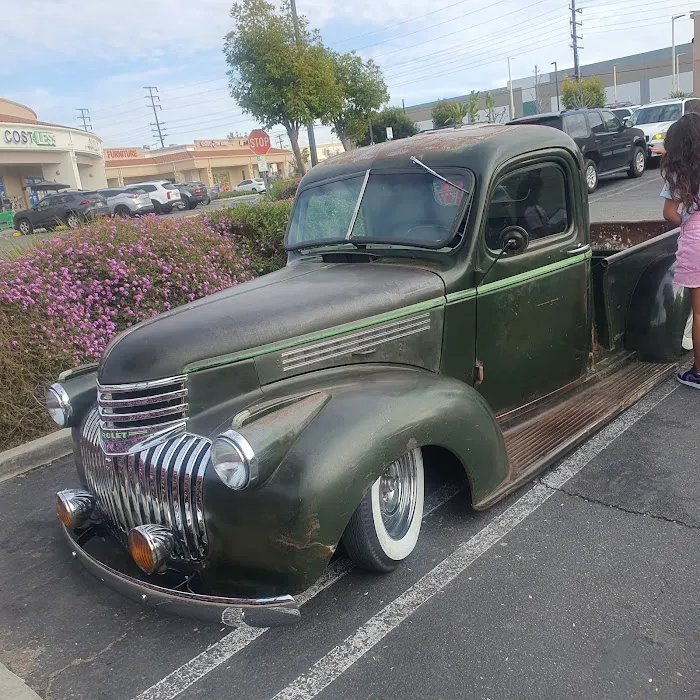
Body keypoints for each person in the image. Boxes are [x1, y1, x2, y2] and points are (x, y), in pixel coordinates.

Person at [661, 112, 700, 387]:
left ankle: (698, 373)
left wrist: (687, 223)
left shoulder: (678, 173)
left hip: (696, 239)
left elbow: (669, 213)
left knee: (699, 313)